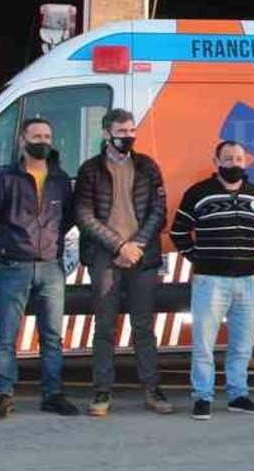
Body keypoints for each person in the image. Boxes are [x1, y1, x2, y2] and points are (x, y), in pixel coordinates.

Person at [0, 117, 79, 420]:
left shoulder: (60, 180)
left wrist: (52, 247)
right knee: (6, 336)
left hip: (51, 268)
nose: (43, 141)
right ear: (23, 141)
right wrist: (5, 249)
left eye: (47, 136)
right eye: (37, 136)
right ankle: (3, 396)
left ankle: (53, 395)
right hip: (12, 267)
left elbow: (67, 218)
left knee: (52, 337)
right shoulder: (5, 179)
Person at [73, 109, 171, 416]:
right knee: (104, 325)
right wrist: (118, 245)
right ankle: (102, 392)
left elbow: (159, 211)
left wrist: (136, 245)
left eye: (131, 130)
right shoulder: (90, 169)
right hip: (105, 256)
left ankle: (152, 389)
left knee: (143, 325)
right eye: (121, 130)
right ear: (106, 133)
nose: (128, 136)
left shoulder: (147, 166)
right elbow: (83, 215)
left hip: (141, 256)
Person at [171, 141, 254, 421]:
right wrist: (200, 259)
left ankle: (238, 395)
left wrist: (243, 257)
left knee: (243, 343)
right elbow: (179, 232)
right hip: (210, 281)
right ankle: (202, 397)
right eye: (227, 159)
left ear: (245, 162)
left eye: (239, 159)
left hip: (246, 282)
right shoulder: (198, 193)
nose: (234, 164)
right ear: (216, 162)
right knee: (204, 344)